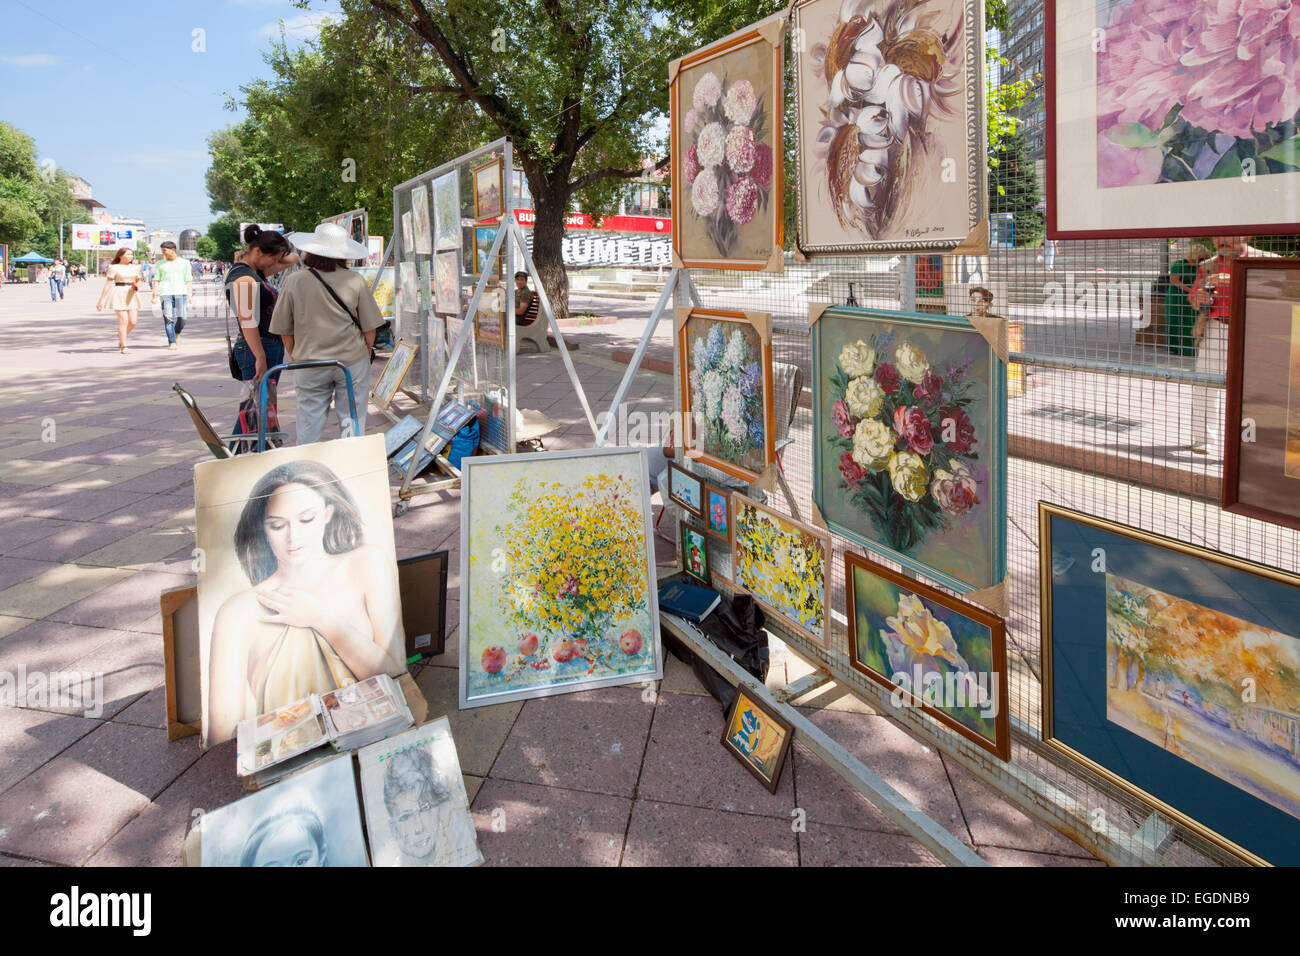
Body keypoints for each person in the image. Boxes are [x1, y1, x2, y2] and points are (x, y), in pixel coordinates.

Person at [205, 459, 403, 745]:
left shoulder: (366, 563)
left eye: (306, 519)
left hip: (377, 739)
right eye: (276, 525)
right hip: (288, 761)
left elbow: (394, 674)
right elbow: (224, 736)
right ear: (262, 528)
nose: (293, 537)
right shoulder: (239, 611)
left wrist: (321, 618)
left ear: (327, 513)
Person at [272, 223, 383, 445]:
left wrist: (294, 354)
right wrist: (365, 352)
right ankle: (350, 464)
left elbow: (284, 328)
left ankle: (307, 468)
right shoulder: (354, 280)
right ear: (343, 254)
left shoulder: (295, 281)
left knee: (309, 419)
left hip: (308, 362)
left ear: (311, 251)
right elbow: (370, 328)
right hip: (351, 360)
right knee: (352, 418)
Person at [225, 225, 297, 445]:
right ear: (258, 252)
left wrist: (280, 253)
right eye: (272, 259)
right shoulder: (244, 278)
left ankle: (247, 454)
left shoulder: (255, 271)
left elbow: (292, 259)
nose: (275, 265)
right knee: (255, 407)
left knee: (260, 405)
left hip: (266, 345)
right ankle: (234, 456)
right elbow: (247, 321)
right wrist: (260, 356)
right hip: (257, 347)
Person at [1188, 236, 1251, 454]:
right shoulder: (1208, 265)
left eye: (1227, 236)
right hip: (1216, 327)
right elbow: (1194, 301)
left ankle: (1251, 442)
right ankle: (1203, 438)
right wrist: (1199, 297)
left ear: (1246, 236)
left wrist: (1234, 280)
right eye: (1217, 237)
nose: (1220, 241)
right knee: (1205, 384)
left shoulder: (1264, 258)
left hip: (1252, 329)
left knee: (1251, 388)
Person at [1163, 243, 1210, 357]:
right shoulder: (1179, 264)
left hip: (1192, 297)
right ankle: (1174, 347)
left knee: (1190, 322)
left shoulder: (1201, 267)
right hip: (1177, 296)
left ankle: (1190, 349)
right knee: (1174, 320)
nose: (1202, 260)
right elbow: (1174, 281)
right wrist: (1191, 290)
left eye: (1204, 258)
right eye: (1201, 257)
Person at [96, 248, 142, 353]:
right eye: (128, 254)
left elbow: (139, 280)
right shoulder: (114, 267)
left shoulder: (136, 268)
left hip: (132, 293)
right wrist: (101, 300)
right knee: (123, 320)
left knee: (133, 322)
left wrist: (136, 285)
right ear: (120, 255)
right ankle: (124, 346)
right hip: (119, 293)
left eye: (131, 254)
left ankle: (122, 336)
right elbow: (108, 283)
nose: (130, 256)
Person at [151, 241, 192, 350]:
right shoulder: (160, 264)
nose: (163, 253)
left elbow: (188, 280)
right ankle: (172, 342)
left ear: (173, 249)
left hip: (181, 293)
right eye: (162, 251)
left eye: (165, 250)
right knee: (169, 319)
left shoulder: (185, 263)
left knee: (183, 317)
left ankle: (176, 333)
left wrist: (189, 294)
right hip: (165, 293)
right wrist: (154, 294)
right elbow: (156, 280)